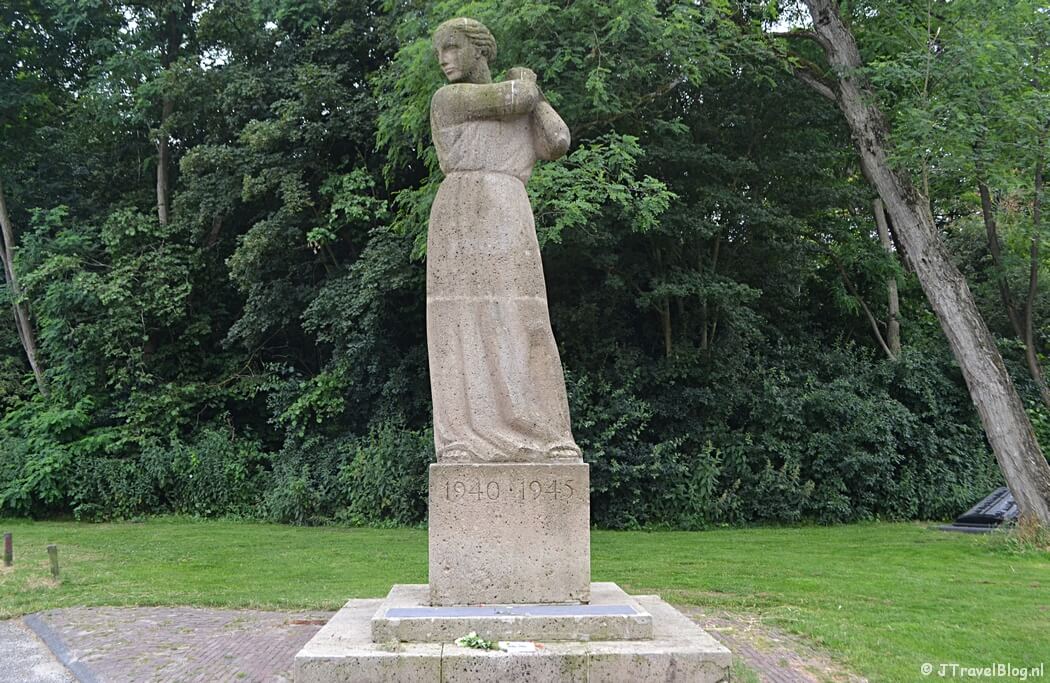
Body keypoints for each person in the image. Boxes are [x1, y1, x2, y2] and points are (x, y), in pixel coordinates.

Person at [426, 17, 581, 463]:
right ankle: (462, 439)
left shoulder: (517, 102)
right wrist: (526, 84)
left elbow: (558, 140)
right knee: (460, 326)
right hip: (460, 215)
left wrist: (537, 96)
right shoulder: (449, 99)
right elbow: (515, 97)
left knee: (525, 318)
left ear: (480, 51)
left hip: (508, 211)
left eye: (453, 47)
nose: (444, 59)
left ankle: (549, 435)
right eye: (440, 51)